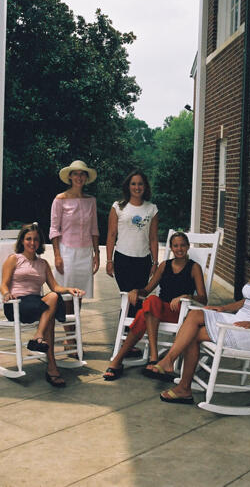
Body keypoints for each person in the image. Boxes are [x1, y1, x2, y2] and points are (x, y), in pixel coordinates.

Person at [147, 231, 250, 404]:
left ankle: (178, 378)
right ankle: (174, 369)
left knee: (192, 335)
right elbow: (246, 301)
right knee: (195, 315)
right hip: (238, 322)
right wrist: (222, 308)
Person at [103, 232, 207, 380]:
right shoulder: (165, 265)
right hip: (159, 310)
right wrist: (136, 291)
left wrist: (187, 296)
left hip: (179, 312)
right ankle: (154, 357)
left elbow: (203, 299)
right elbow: (147, 289)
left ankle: (117, 361)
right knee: (151, 301)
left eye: (183, 245)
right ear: (171, 248)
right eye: (175, 245)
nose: (179, 249)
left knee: (143, 313)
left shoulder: (194, 268)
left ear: (188, 247)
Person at [1, 223, 85, 387]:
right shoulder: (14, 259)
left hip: (36, 305)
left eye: (36, 239)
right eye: (28, 239)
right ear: (22, 241)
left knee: (52, 302)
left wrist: (69, 288)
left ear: (40, 242)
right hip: (17, 304)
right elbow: (3, 284)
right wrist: (6, 294)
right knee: (50, 309)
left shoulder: (43, 264)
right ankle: (50, 364)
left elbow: (55, 287)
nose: (32, 243)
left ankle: (42, 346)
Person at [106, 170, 159, 358]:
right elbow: (111, 234)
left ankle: (128, 341)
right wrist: (109, 259)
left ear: (145, 187)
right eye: (133, 184)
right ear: (128, 186)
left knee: (138, 301)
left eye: (140, 184)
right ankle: (126, 341)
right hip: (122, 259)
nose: (137, 187)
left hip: (143, 260)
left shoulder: (151, 209)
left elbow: (153, 238)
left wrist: (155, 261)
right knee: (129, 299)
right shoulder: (118, 207)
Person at [50, 160, 99, 355]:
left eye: (82, 174)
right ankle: (70, 339)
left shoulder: (91, 201)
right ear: (70, 177)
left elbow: (94, 228)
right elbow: (54, 228)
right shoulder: (59, 199)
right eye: (75, 174)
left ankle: (74, 335)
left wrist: (97, 253)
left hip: (85, 252)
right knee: (67, 296)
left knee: (78, 297)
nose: (79, 177)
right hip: (66, 251)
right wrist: (57, 255)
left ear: (86, 178)